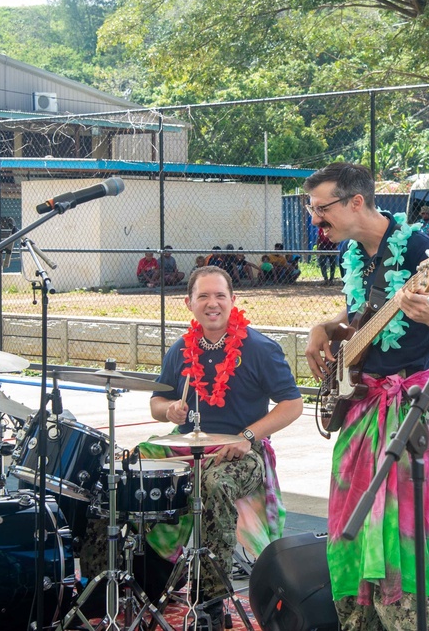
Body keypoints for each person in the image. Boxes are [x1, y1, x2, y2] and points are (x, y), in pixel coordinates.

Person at [303, 162, 429, 630]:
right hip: (361, 407)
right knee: (349, 525)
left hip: (409, 410)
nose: (314, 219)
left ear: (355, 202)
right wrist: (323, 328)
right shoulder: (358, 254)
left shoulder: (422, 250)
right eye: (310, 208)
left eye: (321, 209)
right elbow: (362, 314)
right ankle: (358, 622)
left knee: (397, 536)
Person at [147, 266, 304, 630]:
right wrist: (168, 409)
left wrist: (247, 437)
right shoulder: (180, 350)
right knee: (128, 472)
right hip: (188, 449)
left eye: (220, 295)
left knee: (213, 484)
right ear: (189, 303)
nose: (212, 303)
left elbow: (292, 405)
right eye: (203, 296)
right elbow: (156, 403)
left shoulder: (261, 348)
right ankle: (147, 576)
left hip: (245, 454)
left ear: (233, 301)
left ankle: (210, 599)